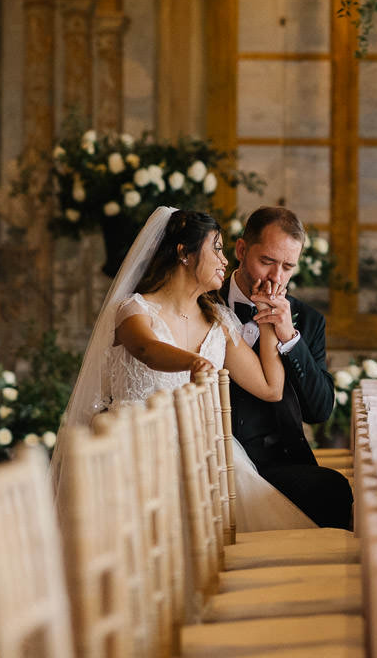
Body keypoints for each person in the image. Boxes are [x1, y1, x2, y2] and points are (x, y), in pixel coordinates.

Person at [58, 207, 315, 531]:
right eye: (217, 248)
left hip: (202, 453)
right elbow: (146, 348)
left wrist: (266, 319)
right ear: (184, 253)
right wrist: (192, 361)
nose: (224, 261)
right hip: (134, 449)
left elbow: (270, 387)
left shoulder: (218, 320)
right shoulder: (134, 309)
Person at [220, 206, 352, 530]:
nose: (276, 277)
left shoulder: (308, 321)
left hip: (280, 462)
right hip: (222, 461)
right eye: (267, 261)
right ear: (241, 250)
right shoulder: (204, 304)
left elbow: (319, 411)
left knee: (334, 491)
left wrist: (290, 338)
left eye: (288, 267)